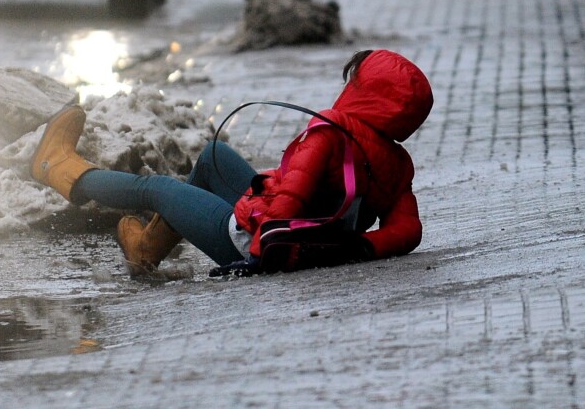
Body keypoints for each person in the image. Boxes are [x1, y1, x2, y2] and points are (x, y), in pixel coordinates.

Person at [30, 49, 433, 277]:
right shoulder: (398, 165)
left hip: (249, 239)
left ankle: (59, 167)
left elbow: (290, 201)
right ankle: (146, 248)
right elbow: (408, 231)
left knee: (154, 189)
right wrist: (356, 247)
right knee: (212, 157)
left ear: (363, 91)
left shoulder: (331, 131)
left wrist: (259, 254)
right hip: (294, 238)